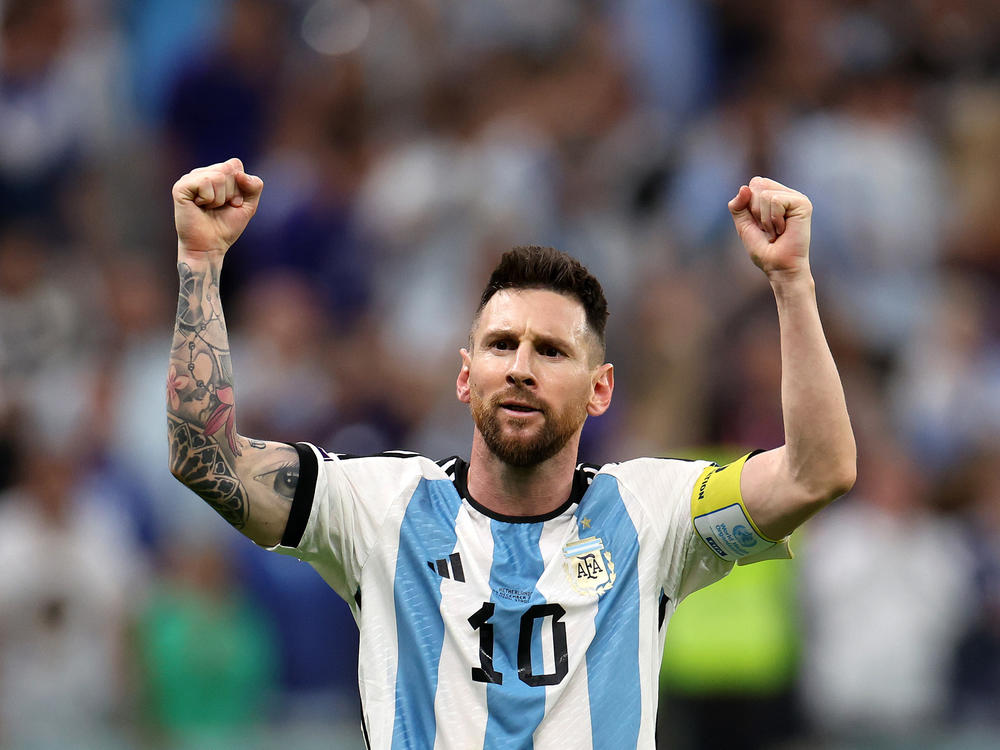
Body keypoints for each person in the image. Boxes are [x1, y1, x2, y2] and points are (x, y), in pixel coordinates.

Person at [167, 157, 856, 749]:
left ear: (600, 390)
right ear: (466, 376)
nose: (521, 367)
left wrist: (791, 282)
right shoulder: (378, 508)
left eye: (552, 351)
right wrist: (201, 262)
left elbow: (816, 472)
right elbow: (207, 459)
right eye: (502, 345)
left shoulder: (654, 513)